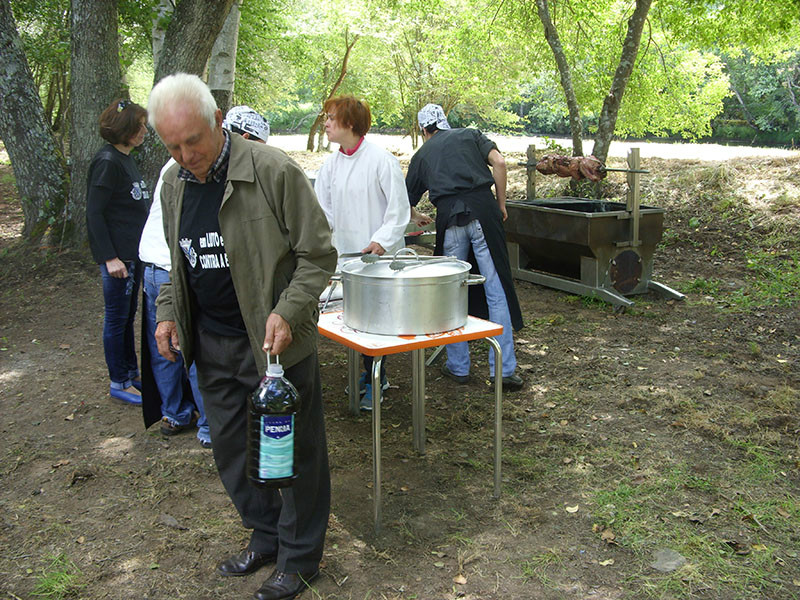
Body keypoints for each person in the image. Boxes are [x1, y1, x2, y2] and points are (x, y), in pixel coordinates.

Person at [147, 73, 336, 600]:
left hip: (273, 345)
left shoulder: (272, 170)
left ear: (216, 121)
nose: (185, 155)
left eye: (193, 141)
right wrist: (167, 313)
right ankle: (267, 535)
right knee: (234, 450)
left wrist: (288, 310)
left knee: (292, 456)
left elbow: (318, 255)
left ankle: (300, 559)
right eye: (172, 146)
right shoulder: (172, 183)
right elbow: (176, 260)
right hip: (210, 343)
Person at [139, 106, 270, 449]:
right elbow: (184, 251)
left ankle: (180, 414)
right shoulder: (182, 175)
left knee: (170, 351)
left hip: (159, 266)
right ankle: (211, 427)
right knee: (183, 349)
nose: (185, 155)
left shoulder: (265, 171)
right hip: (171, 272)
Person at [405, 103, 525, 391]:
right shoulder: (471, 135)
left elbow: (402, 198)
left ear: (424, 130)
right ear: (445, 123)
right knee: (496, 290)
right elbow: (500, 163)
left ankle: (459, 367)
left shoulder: (422, 154)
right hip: (484, 210)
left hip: (449, 217)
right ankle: (504, 371)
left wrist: (417, 215)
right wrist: (501, 205)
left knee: (451, 292)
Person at [313, 95, 410, 410]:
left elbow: (398, 211)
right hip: (347, 258)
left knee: (377, 322)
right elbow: (323, 213)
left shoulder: (382, 160)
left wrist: (381, 241)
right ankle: (368, 373)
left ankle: (377, 377)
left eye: (331, 117)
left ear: (350, 123)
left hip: (379, 259)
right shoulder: (331, 166)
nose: (326, 122)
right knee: (354, 320)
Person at [86, 98, 150, 405]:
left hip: (132, 254)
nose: (144, 131)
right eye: (138, 126)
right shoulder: (108, 161)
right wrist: (109, 258)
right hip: (118, 259)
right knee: (116, 318)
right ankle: (119, 381)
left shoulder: (125, 158)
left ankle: (130, 372)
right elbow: (94, 213)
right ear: (124, 129)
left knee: (127, 317)